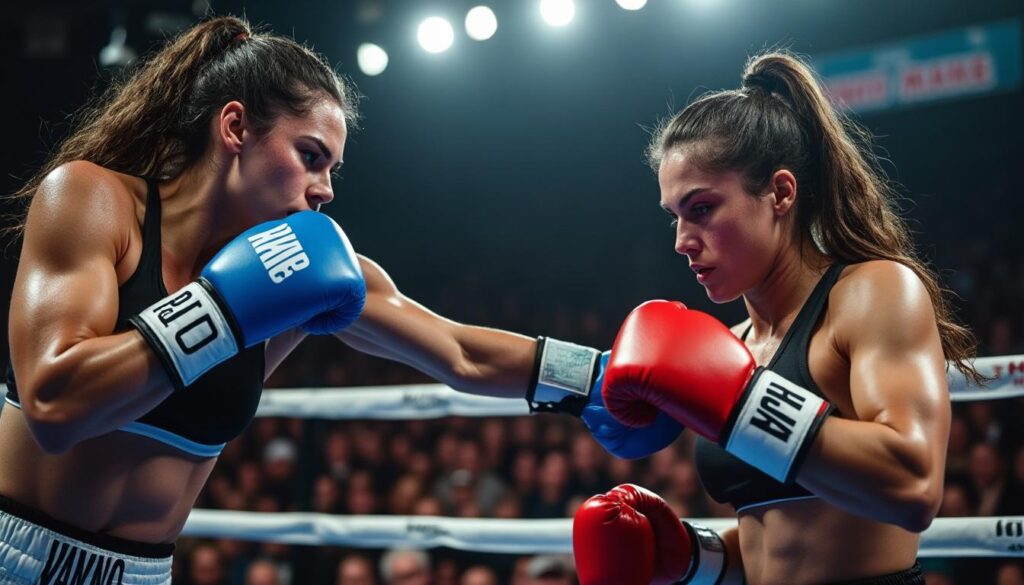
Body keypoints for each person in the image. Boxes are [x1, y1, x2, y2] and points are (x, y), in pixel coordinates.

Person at [0, 15, 682, 584]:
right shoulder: (95, 200)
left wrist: (596, 377)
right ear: (234, 128)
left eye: (333, 167)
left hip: (141, 571)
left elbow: (459, 350)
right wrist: (223, 308)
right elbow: (57, 404)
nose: (326, 189)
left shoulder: (308, 272)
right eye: (310, 155)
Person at [572, 51, 981, 585]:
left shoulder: (871, 291)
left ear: (781, 193)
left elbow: (914, 483)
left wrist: (740, 404)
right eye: (674, 217)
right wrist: (692, 557)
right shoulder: (731, 346)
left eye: (701, 209)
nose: (681, 242)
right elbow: (781, 535)